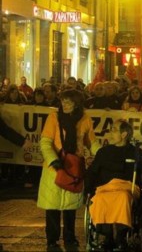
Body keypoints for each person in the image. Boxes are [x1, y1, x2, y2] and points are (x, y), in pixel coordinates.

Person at [37, 89, 101, 250]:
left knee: (71, 208)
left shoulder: (85, 119)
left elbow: (91, 142)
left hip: (74, 167)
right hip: (55, 168)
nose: (64, 104)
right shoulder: (54, 117)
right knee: (52, 207)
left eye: (69, 102)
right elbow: (45, 142)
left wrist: (102, 155)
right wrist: (53, 160)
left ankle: (70, 238)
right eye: (63, 101)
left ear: (77, 104)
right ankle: (52, 239)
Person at [84, 119, 142, 250]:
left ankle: (120, 236)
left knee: (123, 197)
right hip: (106, 189)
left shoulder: (136, 153)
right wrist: (88, 189)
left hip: (126, 188)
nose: (110, 133)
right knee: (99, 199)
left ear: (124, 134)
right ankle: (108, 236)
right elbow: (92, 172)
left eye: (114, 130)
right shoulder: (103, 152)